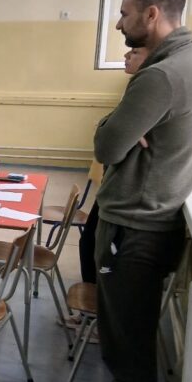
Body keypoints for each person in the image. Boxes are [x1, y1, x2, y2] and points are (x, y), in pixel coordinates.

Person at [50, 0, 192, 382]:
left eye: (124, 13)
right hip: (147, 221)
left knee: (128, 349)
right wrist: (124, 126)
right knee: (126, 338)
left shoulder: (160, 76)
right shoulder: (183, 63)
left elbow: (106, 145)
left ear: (152, 15)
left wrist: (115, 124)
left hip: (136, 227)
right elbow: (123, 137)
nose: (119, 23)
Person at [77, 46, 146, 285]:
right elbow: (109, 131)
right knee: (89, 243)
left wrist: (114, 127)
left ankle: (92, 302)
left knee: (98, 249)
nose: (126, 56)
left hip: (126, 193)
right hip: (112, 186)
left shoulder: (152, 86)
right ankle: (89, 300)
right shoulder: (136, 87)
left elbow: (110, 142)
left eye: (134, 52)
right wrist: (114, 126)